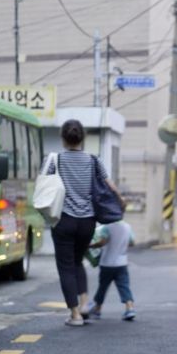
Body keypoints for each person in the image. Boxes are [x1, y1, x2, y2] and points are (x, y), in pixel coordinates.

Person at [47, 119, 124, 326]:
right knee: (78, 261)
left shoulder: (56, 160)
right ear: (83, 138)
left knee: (65, 267)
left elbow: (45, 187)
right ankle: (84, 304)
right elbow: (110, 186)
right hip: (87, 223)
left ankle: (75, 315)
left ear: (63, 138)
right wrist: (121, 202)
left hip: (63, 220)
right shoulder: (93, 160)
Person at [87, 220, 137, 321]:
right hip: (122, 263)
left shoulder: (106, 227)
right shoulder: (127, 226)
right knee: (124, 286)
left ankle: (97, 310)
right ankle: (130, 308)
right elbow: (132, 242)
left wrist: (90, 246)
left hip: (107, 263)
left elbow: (102, 242)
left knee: (103, 287)